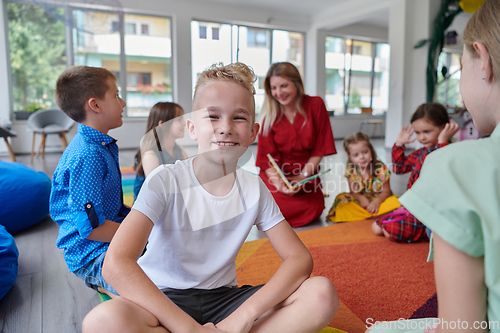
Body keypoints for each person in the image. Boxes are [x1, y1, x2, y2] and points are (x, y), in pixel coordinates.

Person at [82, 62, 339, 333]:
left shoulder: (255, 188)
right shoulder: (164, 180)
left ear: (253, 133)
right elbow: (116, 264)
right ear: (192, 128)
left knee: (321, 294)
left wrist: (241, 318)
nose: (226, 127)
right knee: (101, 322)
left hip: (225, 299)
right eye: (213, 116)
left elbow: (299, 259)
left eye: (239, 118)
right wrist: (188, 328)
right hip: (161, 298)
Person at [367, 0, 500, 331]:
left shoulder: (453, 162)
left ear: (483, 61)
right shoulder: (427, 155)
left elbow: (462, 327)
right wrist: (399, 144)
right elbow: (398, 167)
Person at [50, 66, 131, 297]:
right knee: (152, 295)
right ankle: (96, 279)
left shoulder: (99, 146)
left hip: (110, 232)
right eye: (116, 95)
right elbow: (92, 229)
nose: (122, 102)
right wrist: (142, 234)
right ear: (95, 105)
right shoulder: (87, 156)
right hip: (91, 252)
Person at [256, 62, 336, 228]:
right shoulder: (268, 116)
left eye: (284, 86)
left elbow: (319, 147)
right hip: (276, 175)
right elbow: (266, 159)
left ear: (297, 83)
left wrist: (302, 176)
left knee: (315, 207)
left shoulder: (316, 105)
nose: (278, 93)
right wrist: (280, 185)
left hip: (305, 174)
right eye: (274, 88)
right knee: (275, 204)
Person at [372, 103, 459, 243]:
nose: (422, 137)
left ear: (444, 128)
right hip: (413, 207)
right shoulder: (420, 153)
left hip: (431, 211)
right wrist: (399, 144)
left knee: (389, 232)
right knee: (376, 227)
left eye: (427, 132)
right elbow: (399, 168)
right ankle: (418, 227)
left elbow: (442, 171)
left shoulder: (449, 151)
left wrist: (443, 141)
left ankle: (427, 231)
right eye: (418, 133)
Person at [326, 132, 400, 223]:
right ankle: (374, 216)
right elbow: (353, 192)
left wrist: (377, 201)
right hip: (361, 203)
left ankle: (367, 216)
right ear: (350, 157)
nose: (362, 157)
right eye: (356, 155)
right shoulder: (351, 170)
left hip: (380, 201)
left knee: (395, 202)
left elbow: (386, 191)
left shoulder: (380, 168)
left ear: (371, 151)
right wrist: (361, 199)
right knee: (341, 199)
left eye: (365, 152)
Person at [133, 102, 188, 199]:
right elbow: (158, 193)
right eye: (179, 119)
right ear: (162, 124)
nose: (184, 123)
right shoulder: (150, 155)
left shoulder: (179, 150)